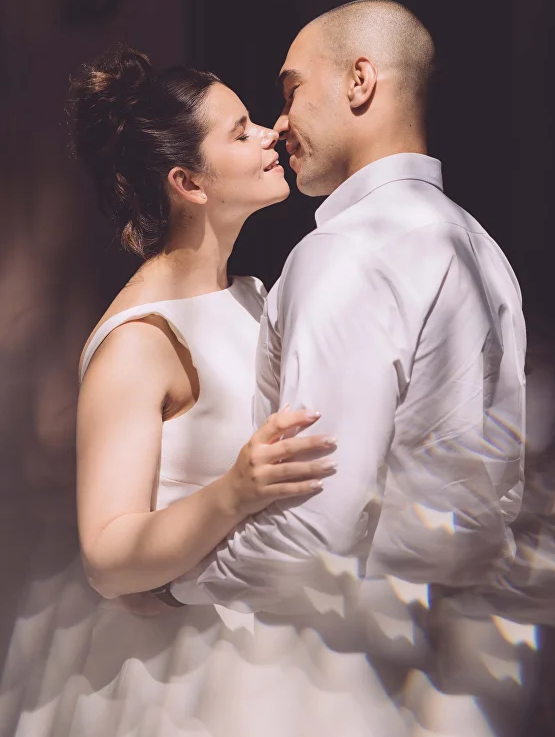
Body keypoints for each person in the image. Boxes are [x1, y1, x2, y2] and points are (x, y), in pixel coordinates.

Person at [161, 0, 528, 735]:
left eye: (291, 89)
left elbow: (313, 525)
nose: (281, 121)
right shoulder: (480, 244)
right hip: (463, 663)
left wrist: (177, 582)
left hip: (354, 676)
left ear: (362, 80)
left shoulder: (350, 253)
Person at [0, 47, 338, 737]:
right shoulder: (140, 339)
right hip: (186, 674)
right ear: (188, 180)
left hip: (272, 633)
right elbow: (106, 552)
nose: (269, 133)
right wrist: (235, 491)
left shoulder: (247, 296)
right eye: (240, 131)